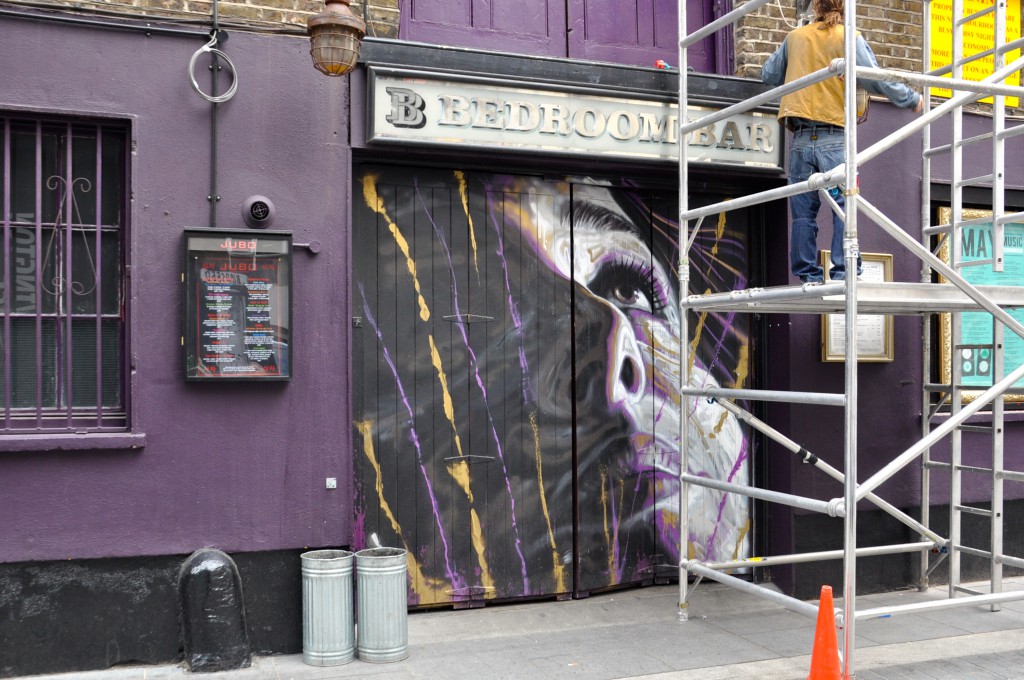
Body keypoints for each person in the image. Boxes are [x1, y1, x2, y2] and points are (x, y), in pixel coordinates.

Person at [761, 0, 924, 283]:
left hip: (799, 138)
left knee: (803, 214)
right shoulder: (848, 36)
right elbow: (875, 79)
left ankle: (807, 276)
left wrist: (800, 56)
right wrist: (910, 98)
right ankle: (843, 272)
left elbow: (769, 75)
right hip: (834, 136)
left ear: (817, 7)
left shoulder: (795, 37)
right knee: (844, 207)